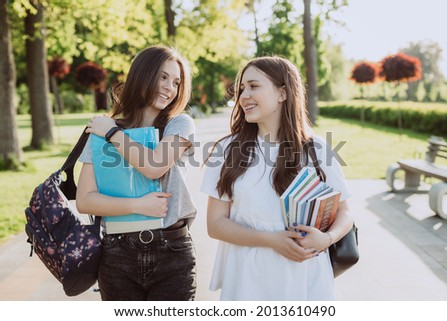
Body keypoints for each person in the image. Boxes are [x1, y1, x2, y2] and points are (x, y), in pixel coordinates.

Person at [200, 56, 353, 300]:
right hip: (247, 279)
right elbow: (215, 224)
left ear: (282, 93)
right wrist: (272, 240)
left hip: (305, 280)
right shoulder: (227, 150)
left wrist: (326, 238)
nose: (243, 96)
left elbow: (345, 212)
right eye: (241, 89)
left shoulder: (317, 149)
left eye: (253, 86)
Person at [76, 45, 197, 301]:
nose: (169, 87)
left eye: (176, 82)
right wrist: (138, 205)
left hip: (172, 253)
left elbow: (153, 166)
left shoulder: (179, 124)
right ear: (143, 74)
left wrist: (112, 134)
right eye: (163, 77)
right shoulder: (102, 128)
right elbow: (85, 200)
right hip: (117, 257)